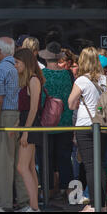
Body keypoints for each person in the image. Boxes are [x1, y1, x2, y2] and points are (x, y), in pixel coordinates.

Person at [0, 37, 29, 212]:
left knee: (4, 163)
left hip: (6, 116)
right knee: (22, 162)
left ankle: (4, 204)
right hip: (23, 117)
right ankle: (24, 202)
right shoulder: (21, 66)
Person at [68, 47, 107, 212]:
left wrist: (79, 102)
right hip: (102, 125)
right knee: (100, 165)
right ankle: (103, 204)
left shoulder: (81, 80)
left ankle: (94, 205)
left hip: (85, 125)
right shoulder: (104, 79)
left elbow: (71, 103)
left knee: (90, 166)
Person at [38, 42, 74, 202]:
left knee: (46, 157)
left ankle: (49, 189)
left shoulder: (41, 75)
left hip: (47, 122)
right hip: (65, 121)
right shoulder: (68, 75)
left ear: (45, 58)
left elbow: (41, 100)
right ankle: (67, 189)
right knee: (65, 157)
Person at [13, 48, 44, 212]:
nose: (15, 66)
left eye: (17, 62)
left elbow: (33, 110)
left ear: (25, 62)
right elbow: (26, 111)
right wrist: (19, 127)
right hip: (28, 125)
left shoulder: (33, 80)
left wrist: (25, 131)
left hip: (31, 127)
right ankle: (34, 206)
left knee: (22, 167)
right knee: (29, 167)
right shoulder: (29, 81)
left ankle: (34, 207)